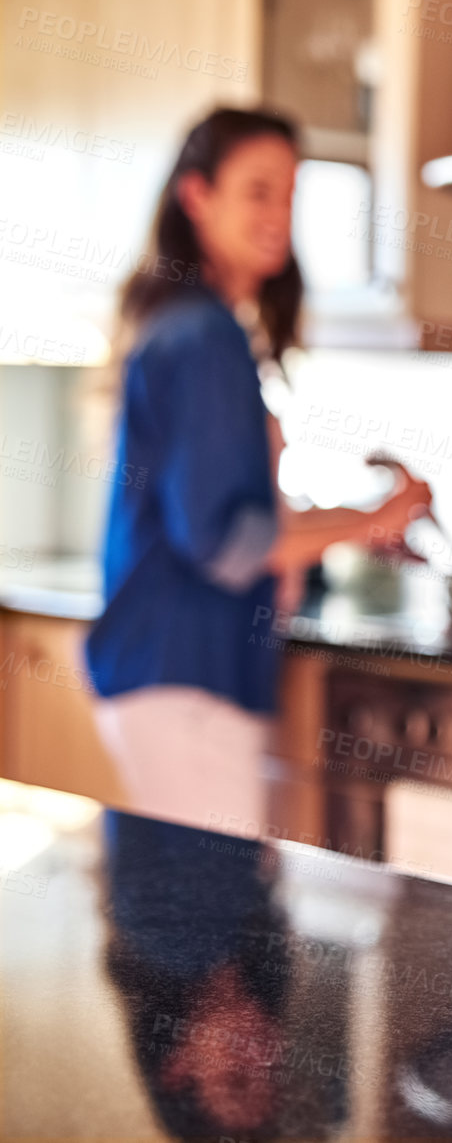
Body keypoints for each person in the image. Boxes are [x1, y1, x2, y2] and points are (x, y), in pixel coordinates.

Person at [86, 108, 429, 834]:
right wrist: (375, 518)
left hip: (168, 674)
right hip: (184, 677)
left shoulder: (190, 324)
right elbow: (227, 542)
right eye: (258, 190)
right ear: (196, 196)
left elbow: (245, 522)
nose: (280, 214)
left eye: (291, 193)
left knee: (186, 925)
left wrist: (364, 523)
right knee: (199, 930)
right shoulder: (204, 335)